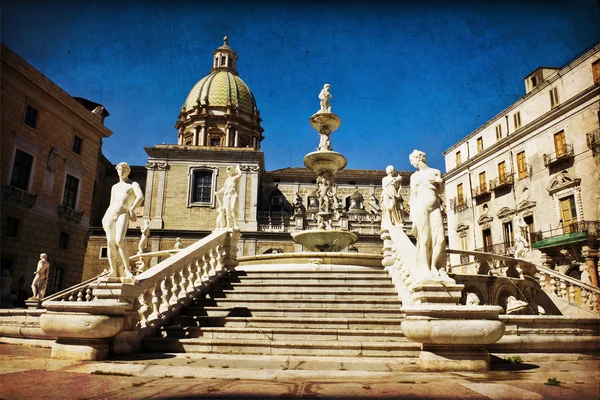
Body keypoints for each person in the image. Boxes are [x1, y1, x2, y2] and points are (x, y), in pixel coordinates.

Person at [102, 162, 144, 278]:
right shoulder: (114, 187)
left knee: (119, 240)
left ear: (128, 171)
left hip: (123, 213)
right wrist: (105, 217)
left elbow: (140, 197)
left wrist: (132, 209)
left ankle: (127, 270)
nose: (122, 171)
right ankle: (113, 271)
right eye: (120, 169)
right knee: (110, 242)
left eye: (124, 169)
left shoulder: (132, 184)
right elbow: (111, 203)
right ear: (117, 171)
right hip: (110, 214)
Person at [409, 150, 446, 280]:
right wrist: (412, 215)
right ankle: (425, 268)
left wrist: (439, 181)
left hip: (435, 207)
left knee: (440, 239)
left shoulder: (435, 172)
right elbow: (413, 195)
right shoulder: (414, 176)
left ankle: (434, 266)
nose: (411, 163)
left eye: (412, 160)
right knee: (424, 239)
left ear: (418, 158)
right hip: (421, 207)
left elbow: (441, 191)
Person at [215, 165, 242, 229]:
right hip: (226, 195)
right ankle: (228, 224)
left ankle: (235, 223)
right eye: (228, 170)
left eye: (230, 170)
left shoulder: (235, 178)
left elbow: (240, 174)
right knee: (227, 210)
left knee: (232, 208)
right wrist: (218, 192)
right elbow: (224, 188)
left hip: (233, 195)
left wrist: (238, 168)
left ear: (232, 171)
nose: (229, 171)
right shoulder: (227, 180)